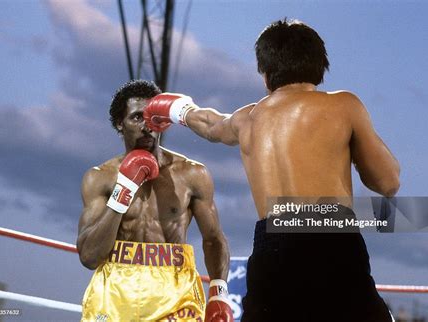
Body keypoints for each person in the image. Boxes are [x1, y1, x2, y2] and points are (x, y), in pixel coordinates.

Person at [143, 19, 400, 322]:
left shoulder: (247, 118)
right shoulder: (344, 105)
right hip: (329, 236)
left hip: (271, 247)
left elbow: (209, 124)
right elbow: (388, 182)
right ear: (321, 65)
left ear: (265, 75)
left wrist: (176, 109)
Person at [77, 80, 234, 321]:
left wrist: (219, 294)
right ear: (120, 124)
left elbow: (213, 240)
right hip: (116, 292)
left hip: (175, 293)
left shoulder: (192, 174)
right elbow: (89, 256)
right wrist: (123, 192)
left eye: (152, 117)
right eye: (137, 118)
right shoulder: (100, 178)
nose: (146, 126)